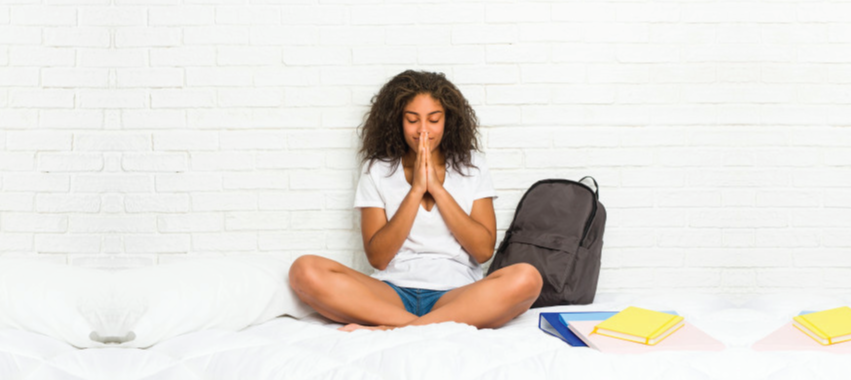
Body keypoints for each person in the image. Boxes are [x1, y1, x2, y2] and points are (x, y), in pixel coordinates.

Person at [289, 70, 542, 331]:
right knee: (304, 270)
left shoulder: (471, 166)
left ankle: (394, 328)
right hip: (392, 293)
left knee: (527, 278)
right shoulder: (377, 169)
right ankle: (421, 326)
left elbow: (483, 251)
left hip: (456, 295)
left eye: (433, 120)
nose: (423, 131)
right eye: (412, 120)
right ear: (397, 121)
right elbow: (378, 258)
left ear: (447, 121)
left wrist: (437, 189)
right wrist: (416, 190)